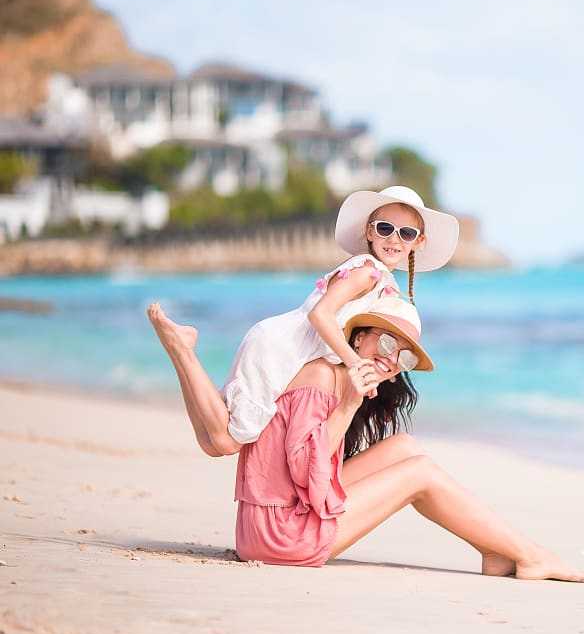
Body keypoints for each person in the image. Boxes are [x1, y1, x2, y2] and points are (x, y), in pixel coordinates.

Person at [148, 295, 584, 582]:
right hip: (278, 537)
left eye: (402, 357)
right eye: (385, 345)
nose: (391, 361)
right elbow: (307, 475)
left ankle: (494, 551)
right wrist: (347, 407)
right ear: (357, 338)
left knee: (405, 449)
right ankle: (530, 555)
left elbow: (307, 470)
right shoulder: (321, 378)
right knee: (419, 474)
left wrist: (350, 403)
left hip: (278, 519)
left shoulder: (338, 379)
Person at [150, 185, 460, 454]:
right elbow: (319, 314)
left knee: (212, 443)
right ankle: (183, 351)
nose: (394, 239)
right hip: (279, 348)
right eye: (384, 228)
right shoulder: (368, 271)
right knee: (230, 440)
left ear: (418, 241)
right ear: (369, 231)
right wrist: (354, 361)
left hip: (284, 347)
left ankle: (182, 350)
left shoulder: (380, 282)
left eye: (406, 233)